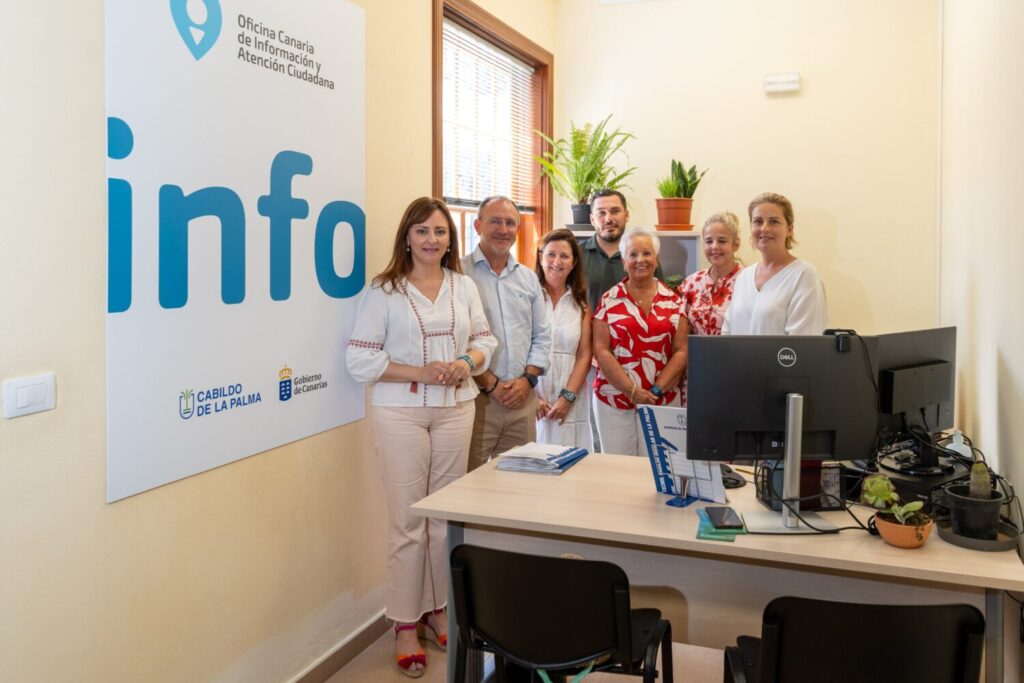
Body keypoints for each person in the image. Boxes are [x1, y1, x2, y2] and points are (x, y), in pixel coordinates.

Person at [345, 197, 497, 678]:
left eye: (440, 231)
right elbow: (360, 360)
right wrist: (421, 372)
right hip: (401, 414)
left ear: (451, 239)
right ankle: (405, 623)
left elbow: (485, 341)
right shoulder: (383, 291)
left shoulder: (463, 286)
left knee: (443, 519)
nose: (432, 239)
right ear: (407, 237)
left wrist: (465, 363)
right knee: (408, 522)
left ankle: (438, 610)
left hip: (457, 410)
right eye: (422, 231)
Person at [463, 196, 552, 470]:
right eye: (495, 221)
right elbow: (456, 339)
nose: (503, 229)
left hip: (522, 400)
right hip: (476, 398)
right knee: (470, 481)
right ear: (478, 226)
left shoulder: (528, 278)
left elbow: (542, 335)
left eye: (510, 223)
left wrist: (528, 380)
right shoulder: (457, 274)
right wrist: (490, 383)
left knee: (520, 481)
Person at [592, 226, 688, 456]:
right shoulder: (609, 300)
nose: (640, 260)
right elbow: (601, 350)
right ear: (624, 262)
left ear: (657, 259)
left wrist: (655, 390)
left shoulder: (674, 302)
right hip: (614, 400)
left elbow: (682, 351)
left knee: (659, 467)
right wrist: (631, 390)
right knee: (618, 469)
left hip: (662, 400)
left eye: (646, 253)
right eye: (633, 254)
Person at [723, 193, 828, 335]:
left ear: (789, 229)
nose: (764, 228)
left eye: (774, 221)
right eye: (758, 221)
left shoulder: (804, 275)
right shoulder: (744, 276)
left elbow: (804, 341)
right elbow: (727, 332)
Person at [534, 229, 594, 450]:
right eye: (551, 254)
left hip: (571, 393)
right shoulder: (527, 298)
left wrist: (567, 398)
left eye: (564, 256)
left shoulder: (581, 305)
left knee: (570, 456)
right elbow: (517, 350)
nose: (556, 262)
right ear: (541, 257)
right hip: (532, 393)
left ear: (573, 263)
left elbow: (584, 355)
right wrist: (531, 398)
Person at [579, 189, 664, 312]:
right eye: (601, 213)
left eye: (615, 211)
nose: (608, 219)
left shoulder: (645, 257)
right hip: (590, 325)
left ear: (626, 215)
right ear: (592, 219)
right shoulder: (576, 255)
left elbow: (660, 300)